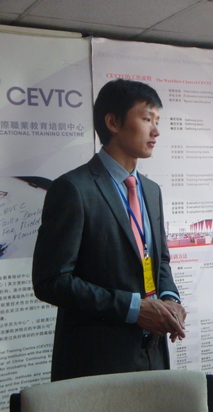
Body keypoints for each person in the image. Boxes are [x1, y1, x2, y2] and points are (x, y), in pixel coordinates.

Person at [32, 79, 186, 381]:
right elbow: (51, 281)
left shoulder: (151, 191)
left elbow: (160, 261)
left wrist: (170, 299)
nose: (156, 131)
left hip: (152, 354)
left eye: (157, 120)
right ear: (113, 122)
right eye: (147, 119)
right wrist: (133, 308)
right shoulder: (73, 189)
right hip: (96, 361)